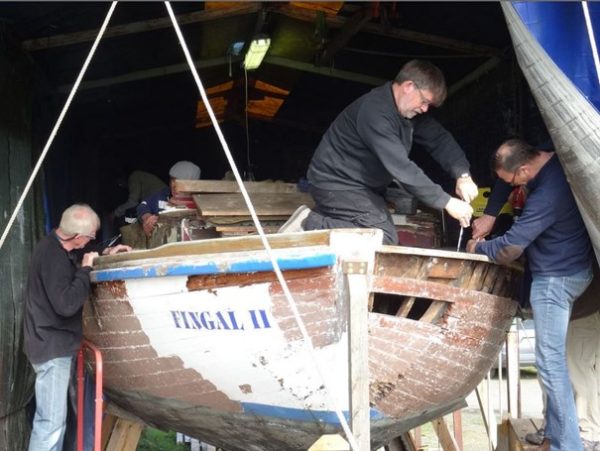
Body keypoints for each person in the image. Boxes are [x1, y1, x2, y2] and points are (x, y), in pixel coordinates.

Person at [467, 138, 593, 451]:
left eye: (512, 182)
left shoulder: (548, 194)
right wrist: (491, 214)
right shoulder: (546, 157)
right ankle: (554, 430)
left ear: (524, 169)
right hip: (572, 268)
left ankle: (569, 446)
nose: (512, 188)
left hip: (556, 280)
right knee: (554, 360)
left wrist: (479, 248)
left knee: (550, 364)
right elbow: (502, 184)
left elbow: (510, 247)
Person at [279, 59, 477, 244]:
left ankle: (324, 222)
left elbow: (439, 139)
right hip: (336, 183)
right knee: (383, 237)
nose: (425, 109)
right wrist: (447, 202)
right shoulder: (375, 113)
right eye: (424, 101)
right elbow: (401, 167)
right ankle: (309, 224)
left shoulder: (407, 112)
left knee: (379, 233)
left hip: (360, 186)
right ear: (409, 87)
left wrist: (463, 175)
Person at [24, 204, 131, 451]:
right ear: (78, 236)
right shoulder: (53, 258)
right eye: (91, 237)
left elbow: (79, 255)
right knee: (50, 424)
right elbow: (66, 304)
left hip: (49, 344)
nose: (91, 241)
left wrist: (105, 250)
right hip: (51, 350)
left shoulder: (55, 246)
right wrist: (86, 271)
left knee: (52, 422)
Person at [136, 160, 201, 237]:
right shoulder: (163, 195)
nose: (174, 185)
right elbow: (143, 205)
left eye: (180, 181)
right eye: (173, 179)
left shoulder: (201, 203)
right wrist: (147, 218)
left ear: (193, 185)